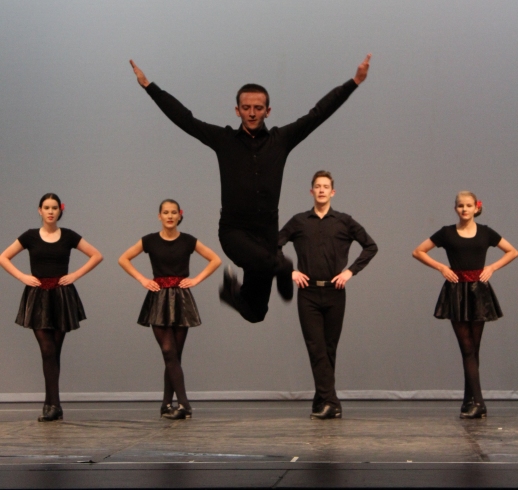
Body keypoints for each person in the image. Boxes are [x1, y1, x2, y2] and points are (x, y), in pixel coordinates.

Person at [129, 54, 371, 323]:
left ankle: (231, 293)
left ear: (268, 111)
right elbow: (185, 119)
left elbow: (317, 114)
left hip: (266, 236)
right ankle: (281, 268)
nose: (252, 113)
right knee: (278, 263)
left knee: (256, 314)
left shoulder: (281, 140)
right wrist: (149, 86)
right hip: (235, 233)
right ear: (237, 110)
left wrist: (354, 82)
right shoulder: (223, 140)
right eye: (246, 107)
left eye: (258, 108)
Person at [278, 171, 378, 419]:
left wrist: (350, 272)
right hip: (308, 292)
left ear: (333, 192)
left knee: (329, 348)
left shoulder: (343, 221)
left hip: (335, 292)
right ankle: (332, 403)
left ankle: (321, 399)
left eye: (326, 186)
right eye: (317, 186)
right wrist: (289, 271)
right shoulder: (299, 221)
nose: (321, 190)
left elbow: (371, 246)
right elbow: (272, 246)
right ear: (311, 191)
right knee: (316, 348)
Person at [412, 191, 518, 419]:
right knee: (467, 348)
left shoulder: (486, 232)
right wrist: (441, 267)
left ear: (476, 208)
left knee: (473, 349)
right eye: (460, 206)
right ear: (455, 208)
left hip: (478, 292)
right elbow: (418, 251)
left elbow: (512, 251)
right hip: (457, 292)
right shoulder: (447, 233)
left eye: (468, 205)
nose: (464, 209)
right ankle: (475, 401)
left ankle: (472, 401)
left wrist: (491, 268)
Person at [0, 193, 103, 422]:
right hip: (38, 297)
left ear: (59, 210)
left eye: (54, 207)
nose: (50, 211)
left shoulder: (68, 236)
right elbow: (3, 257)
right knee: (47, 350)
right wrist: (22, 277)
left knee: (54, 351)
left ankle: (52, 404)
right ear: (39, 210)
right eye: (46, 207)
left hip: (61, 296)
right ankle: (52, 404)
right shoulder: (29, 236)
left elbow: (96, 255)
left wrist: (74, 274)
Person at [118, 199, 221, 419]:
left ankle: (166, 404)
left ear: (179, 215)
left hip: (181, 299)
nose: (170, 216)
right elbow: (123, 259)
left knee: (174, 355)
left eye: (174, 212)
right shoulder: (150, 240)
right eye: (166, 212)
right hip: (158, 299)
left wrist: (196, 280)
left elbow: (215, 259)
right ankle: (184, 404)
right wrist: (143, 280)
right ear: (159, 216)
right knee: (168, 351)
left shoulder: (188, 240)